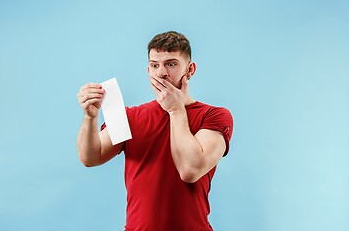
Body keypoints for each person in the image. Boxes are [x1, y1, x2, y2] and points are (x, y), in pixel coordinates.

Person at [77, 31, 233, 231]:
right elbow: (90, 158)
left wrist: (176, 110)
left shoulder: (214, 116)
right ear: (148, 70)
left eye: (171, 64)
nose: (161, 73)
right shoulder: (128, 116)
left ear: (190, 70)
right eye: (154, 65)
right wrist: (90, 117)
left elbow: (190, 169)